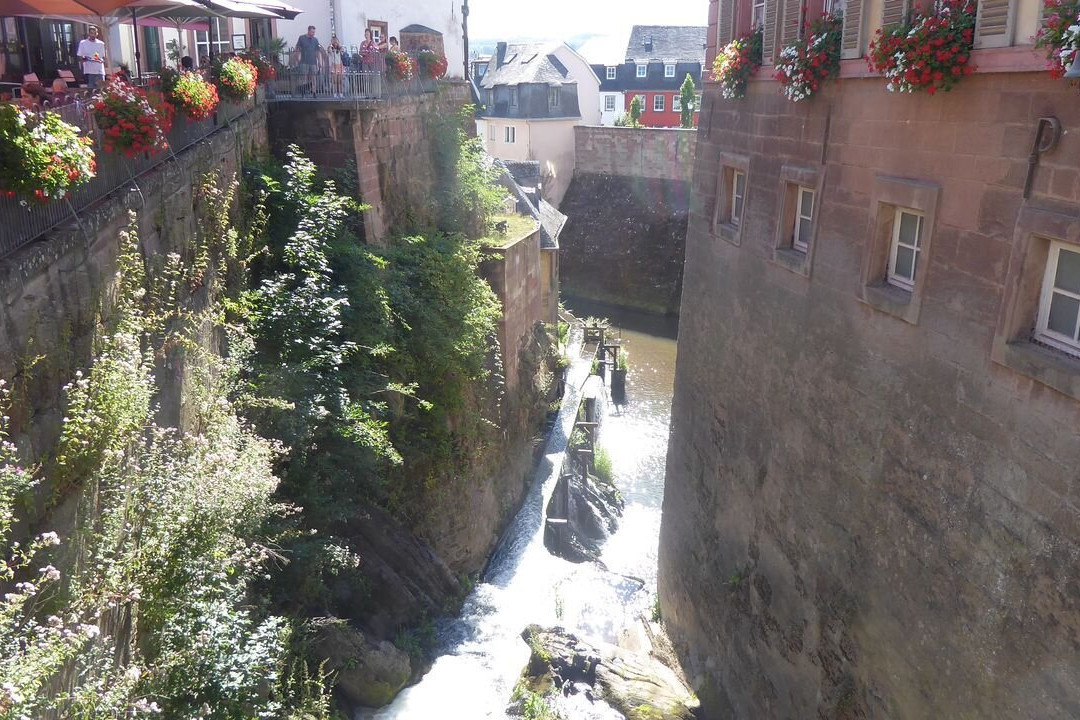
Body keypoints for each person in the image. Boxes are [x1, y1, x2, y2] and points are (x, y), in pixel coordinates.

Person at [293, 25, 325, 95]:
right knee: (304, 77)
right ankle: (303, 92)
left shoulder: (315, 40)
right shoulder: (302, 38)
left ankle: (314, 92)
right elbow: (297, 49)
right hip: (304, 61)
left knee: (313, 77)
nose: (313, 33)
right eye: (312, 32)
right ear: (308, 31)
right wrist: (298, 59)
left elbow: (317, 51)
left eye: (314, 32)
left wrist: (319, 62)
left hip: (313, 62)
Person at [76, 25, 106, 90]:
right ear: (88, 33)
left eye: (95, 33)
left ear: (97, 34)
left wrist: (98, 59)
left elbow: (102, 56)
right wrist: (84, 59)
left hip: (99, 70)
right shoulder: (83, 43)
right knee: (90, 91)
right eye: (91, 33)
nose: (93, 35)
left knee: (101, 90)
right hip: (89, 71)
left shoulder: (101, 44)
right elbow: (80, 56)